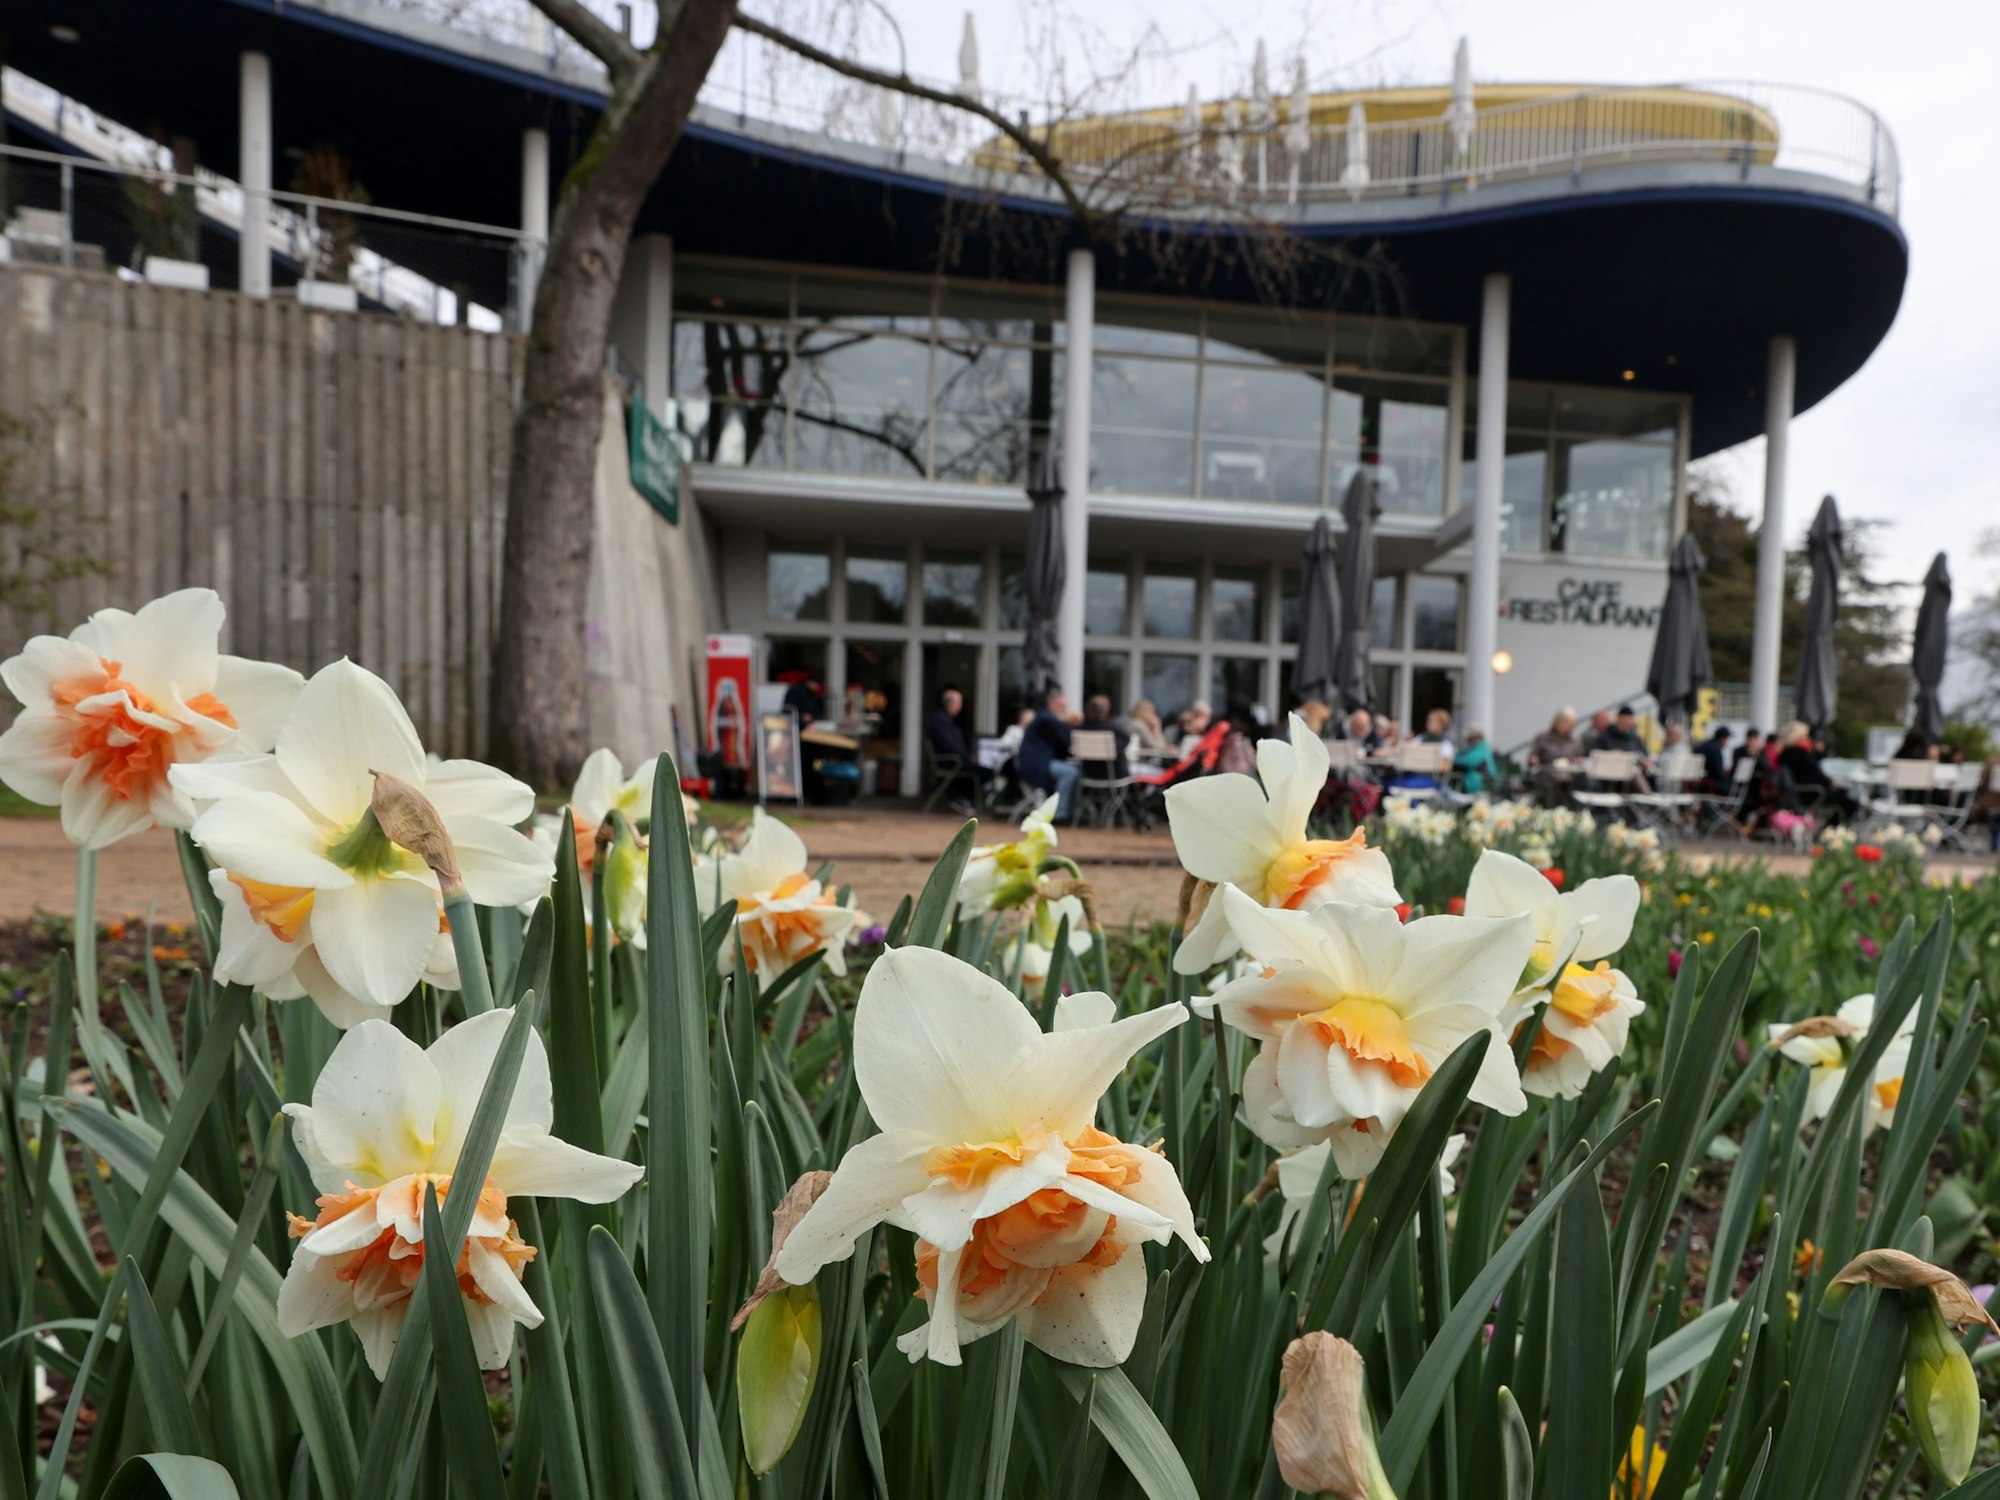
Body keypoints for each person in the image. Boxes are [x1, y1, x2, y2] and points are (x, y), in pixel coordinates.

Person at [1775, 719, 1857, 824]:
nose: (1808, 739)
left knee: (1843, 797)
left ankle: (1829, 830)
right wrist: (1831, 783)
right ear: (1797, 737)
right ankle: (1830, 829)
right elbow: (1817, 775)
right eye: (1805, 736)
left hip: (1796, 794)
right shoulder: (1802, 754)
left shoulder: (1784, 755)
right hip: (1813, 793)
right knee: (1850, 803)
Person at [1018, 689, 1080, 823]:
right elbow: (1063, 742)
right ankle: (1060, 815)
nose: (1064, 709)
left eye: (1065, 706)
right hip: (1036, 765)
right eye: (1061, 705)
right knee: (1070, 772)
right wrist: (1070, 723)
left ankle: (1070, 811)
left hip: (1040, 762)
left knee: (1072, 770)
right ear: (1051, 704)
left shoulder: (1047, 718)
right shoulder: (1046, 719)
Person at [924, 686, 983, 815]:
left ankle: (961, 798)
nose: (961, 706)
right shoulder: (941, 721)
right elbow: (949, 745)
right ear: (951, 703)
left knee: (983, 769)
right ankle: (959, 798)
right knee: (984, 771)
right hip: (951, 761)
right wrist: (967, 757)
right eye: (959, 702)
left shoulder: (950, 720)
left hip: (957, 760)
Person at [1528, 707, 1584, 808]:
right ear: (1558, 722)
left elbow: (1578, 757)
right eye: (1566, 723)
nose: (1569, 727)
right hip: (1547, 776)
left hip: (1569, 777)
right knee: (1551, 786)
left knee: (1578, 784)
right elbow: (1533, 759)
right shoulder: (1543, 738)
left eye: (1572, 724)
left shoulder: (1575, 740)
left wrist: (1578, 761)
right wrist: (1534, 760)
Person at [1079, 694, 1131, 780]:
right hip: (1114, 776)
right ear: (1107, 710)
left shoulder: (1081, 729)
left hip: (1087, 775)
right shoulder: (1114, 730)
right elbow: (1125, 742)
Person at [1455, 726, 1501, 797]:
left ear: (1476, 737)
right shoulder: (1473, 748)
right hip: (1475, 783)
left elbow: (1469, 762)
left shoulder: (1482, 748)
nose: (1467, 741)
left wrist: (1455, 758)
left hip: (1483, 784)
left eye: (1469, 738)